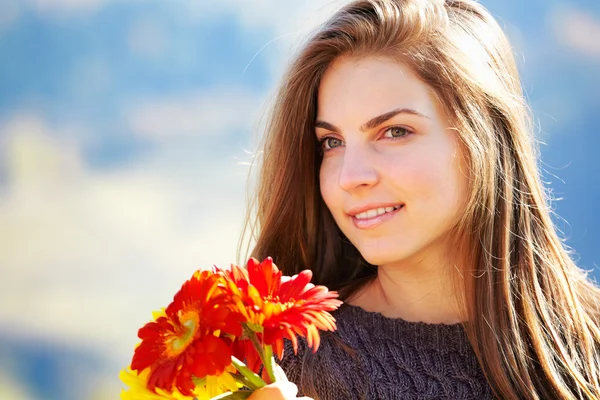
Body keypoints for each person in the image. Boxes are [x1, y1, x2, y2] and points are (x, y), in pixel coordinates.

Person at [244, 0, 600, 399]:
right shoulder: (277, 363)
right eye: (332, 142)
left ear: (483, 136)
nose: (350, 177)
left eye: (395, 131)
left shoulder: (590, 347)